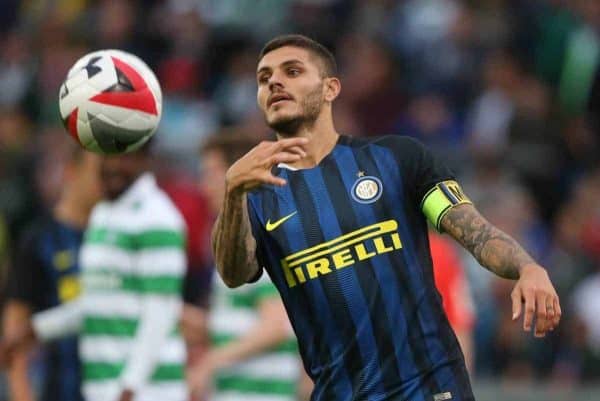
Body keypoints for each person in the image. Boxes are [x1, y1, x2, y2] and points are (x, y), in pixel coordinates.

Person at [211, 34, 562, 401]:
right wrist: (233, 194)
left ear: (331, 88)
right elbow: (234, 274)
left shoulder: (396, 159)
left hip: (430, 389)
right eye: (263, 78)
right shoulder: (257, 198)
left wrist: (527, 267)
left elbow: (474, 231)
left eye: (292, 71)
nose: (274, 82)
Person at [2, 144, 188, 401]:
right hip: (101, 388)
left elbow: (160, 313)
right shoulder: (102, 215)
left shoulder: (158, 218)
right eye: (107, 155)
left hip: (147, 392)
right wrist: (36, 329)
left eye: (124, 156)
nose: (112, 165)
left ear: (145, 159)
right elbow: (99, 303)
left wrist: (130, 387)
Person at [188, 132, 307, 401]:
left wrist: (211, 361)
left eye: (210, 173)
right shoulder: (232, 238)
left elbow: (277, 325)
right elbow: (244, 318)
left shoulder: (259, 236)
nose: (203, 185)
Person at [2, 147, 101, 401]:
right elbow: (15, 331)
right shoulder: (39, 241)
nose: (106, 179)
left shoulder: (114, 238)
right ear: (72, 172)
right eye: (98, 171)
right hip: (60, 389)